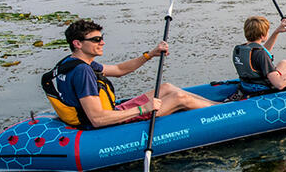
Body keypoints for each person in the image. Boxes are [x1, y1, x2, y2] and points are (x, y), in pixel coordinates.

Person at [42, 19, 218, 129]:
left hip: (111, 111)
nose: (102, 42)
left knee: (166, 88)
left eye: (102, 38)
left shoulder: (71, 62)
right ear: (78, 43)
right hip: (109, 122)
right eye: (96, 40)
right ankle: (226, 111)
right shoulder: (83, 72)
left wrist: (150, 54)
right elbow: (97, 119)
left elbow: (119, 70)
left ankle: (217, 105)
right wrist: (143, 109)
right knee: (180, 98)